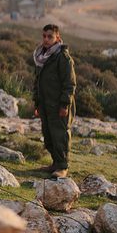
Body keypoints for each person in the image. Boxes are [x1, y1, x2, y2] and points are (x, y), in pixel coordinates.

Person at [33, 24, 77, 179]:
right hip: (45, 104)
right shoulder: (41, 56)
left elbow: (69, 84)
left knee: (60, 136)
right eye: (44, 36)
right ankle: (55, 163)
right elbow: (37, 81)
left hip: (59, 105)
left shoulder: (62, 58)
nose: (46, 39)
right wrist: (37, 103)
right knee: (48, 135)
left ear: (57, 38)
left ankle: (62, 167)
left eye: (50, 36)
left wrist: (65, 105)